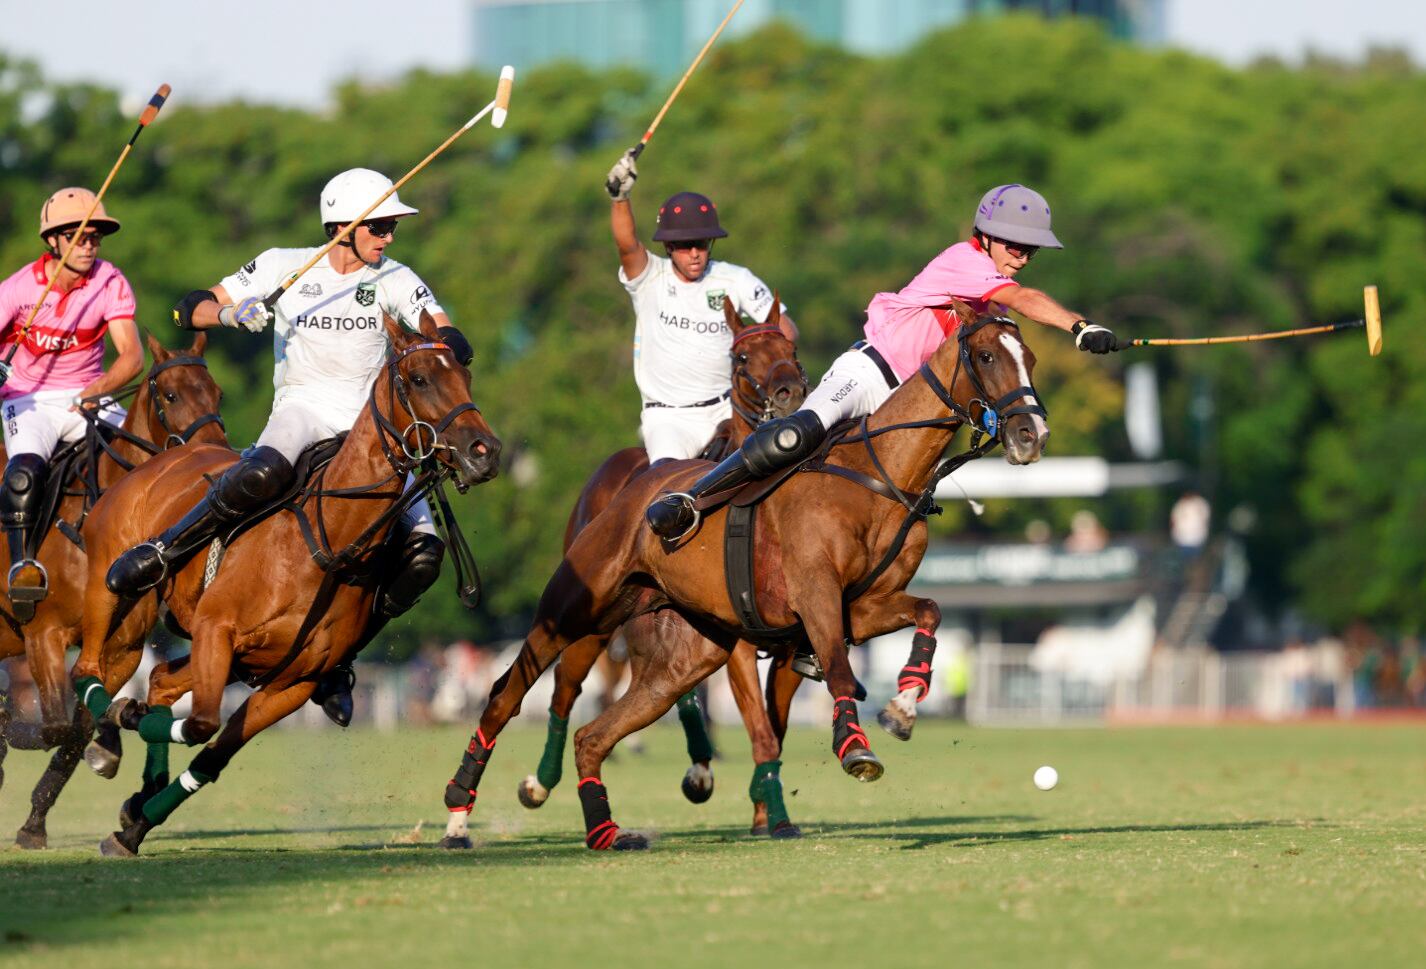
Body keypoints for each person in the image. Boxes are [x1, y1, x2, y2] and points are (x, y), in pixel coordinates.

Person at [105, 168, 474, 723]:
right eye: (379, 226)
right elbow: (190, 308)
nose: (389, 237)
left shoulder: (397, 279)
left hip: (372, 433)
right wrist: (230, 312)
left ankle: (338, 659)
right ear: (343, 227)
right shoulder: (284, 265)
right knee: (259, 474)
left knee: (424, 555)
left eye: (392, 226)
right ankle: (165, 550)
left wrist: (441, 344)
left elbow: (450, 336)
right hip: (302, 409)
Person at [646, 183, 1118, 540]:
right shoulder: (966, 262)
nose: (1024, 257)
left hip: (908, 404)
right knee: (798, 434)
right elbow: (1026, 297)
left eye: (1030, 250)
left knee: (897, 506)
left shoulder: (990, 309)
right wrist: (1079, 327)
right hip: (869, 373)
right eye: (1016, 246)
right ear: (988, 238)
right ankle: (693, 499)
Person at [0, 188, 142, 621]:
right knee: (23, 475)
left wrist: (97, 389)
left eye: (95, 237)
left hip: (88, 397)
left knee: (142, 464)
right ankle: (24, 567)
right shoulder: (19, 289)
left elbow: (132, 356)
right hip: (29, 397)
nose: (89, 245)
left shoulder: (109, 281)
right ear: (54, 241)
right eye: (79, 237)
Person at [604, 147, 797, 464]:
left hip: (729, 408)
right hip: (670, 419)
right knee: (669, 498)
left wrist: (766, 360)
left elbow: (786, 331)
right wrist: (619, 199)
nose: (694, 252)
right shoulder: (650, 277)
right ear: (668, 246)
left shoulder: (735, 279)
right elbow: (626, 244)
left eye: (702, 244)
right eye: (683, 246)